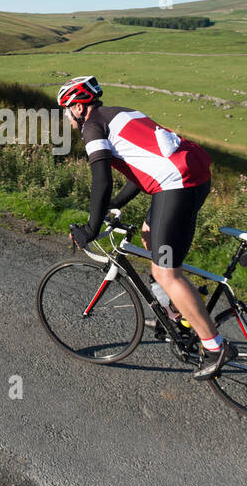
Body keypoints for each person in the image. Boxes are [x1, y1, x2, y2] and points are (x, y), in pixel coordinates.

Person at [59, 75, 228, 380]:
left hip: (176, 185)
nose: (66, 116)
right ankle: (175, 312)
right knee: (151, 235)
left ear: (79, 107)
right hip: (192, 175)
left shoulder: (92, 127)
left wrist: (91, 228)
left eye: (66, 109)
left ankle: (215, 348)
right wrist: (117, 206)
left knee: (166, 271)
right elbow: (142, 167)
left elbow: (102, 180)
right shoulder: (119, 112)